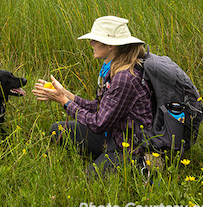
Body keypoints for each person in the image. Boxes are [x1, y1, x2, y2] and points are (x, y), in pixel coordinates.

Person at [32, 15, 153, 177]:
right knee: (57, 130)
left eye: (95, 39)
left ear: (110, 44)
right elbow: (98, 107)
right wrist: (66, 94)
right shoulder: (112, 67)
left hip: (130, 148)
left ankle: (138, 165)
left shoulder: (125, 77)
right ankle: (105, 159)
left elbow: (98, 123)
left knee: (88, 181)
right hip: (113, 136)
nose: (91, 43)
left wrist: (64, 101)